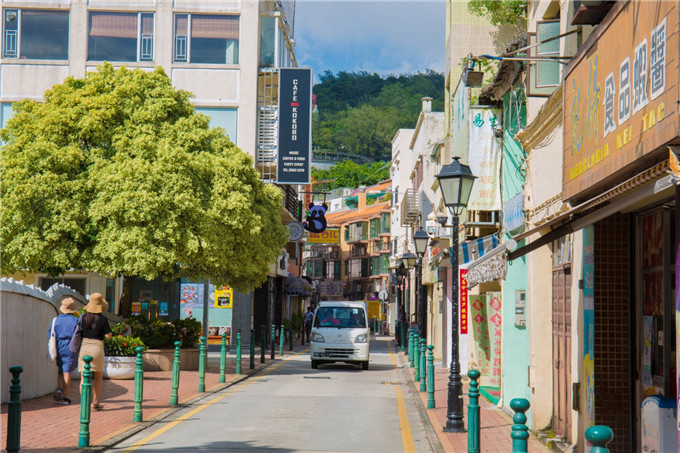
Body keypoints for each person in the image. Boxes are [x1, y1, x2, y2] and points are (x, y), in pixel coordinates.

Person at [77, 293, 112, 411]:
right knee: (98, 376)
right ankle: (95, 402)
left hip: (85, 347)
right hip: (97, 347)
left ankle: (84, 401)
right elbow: (108, 336)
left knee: (83, 376)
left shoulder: (83, 318)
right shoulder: (103, 320)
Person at [49, 297, 79, 405]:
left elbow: (50, 334)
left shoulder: (55, 320)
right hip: (70, 347)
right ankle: (64, 396)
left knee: (60, 369)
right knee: (67, 372)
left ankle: (59, 388)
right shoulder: (76, 321)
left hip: (58, 346)